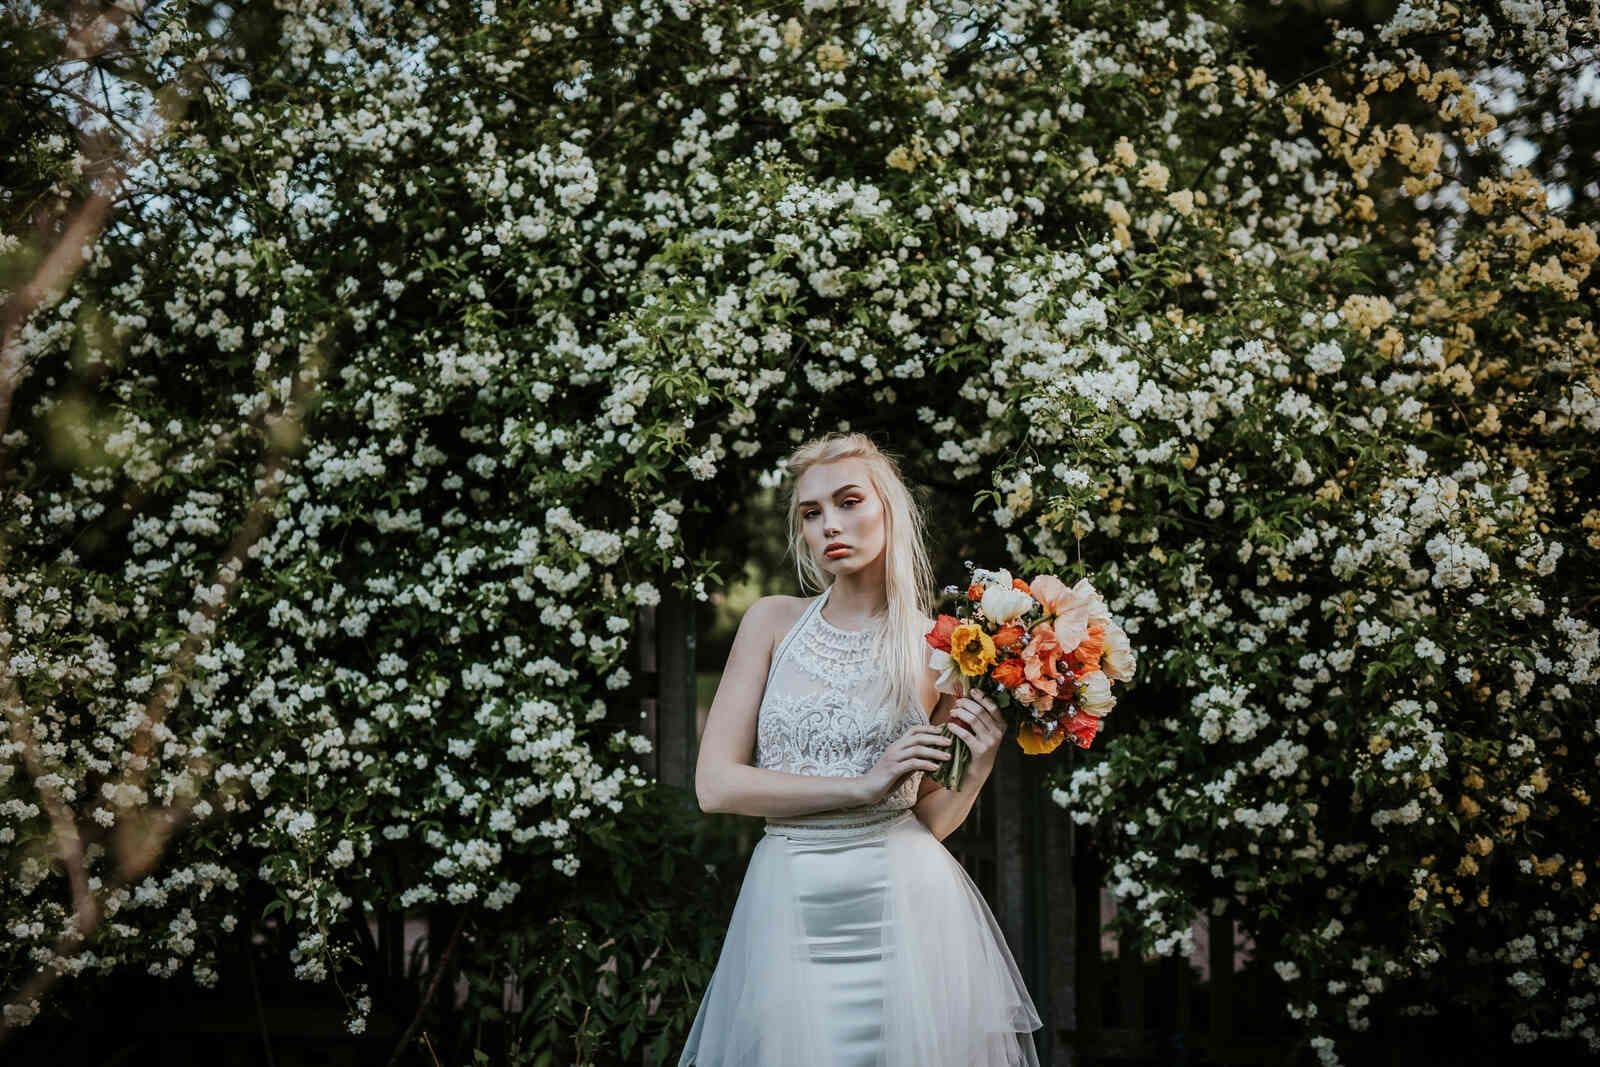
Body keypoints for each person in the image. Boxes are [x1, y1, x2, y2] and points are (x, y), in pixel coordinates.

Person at [678, 431, 1043, 1066]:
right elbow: (716, 785)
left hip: (905, 903)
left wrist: (976, 769)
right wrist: (859, 786)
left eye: (848, 502)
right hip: (792, 895)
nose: (829, 525)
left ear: (888, 509)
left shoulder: (943, 649)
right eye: (812, 513)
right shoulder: (771, 623)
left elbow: (929, 821)